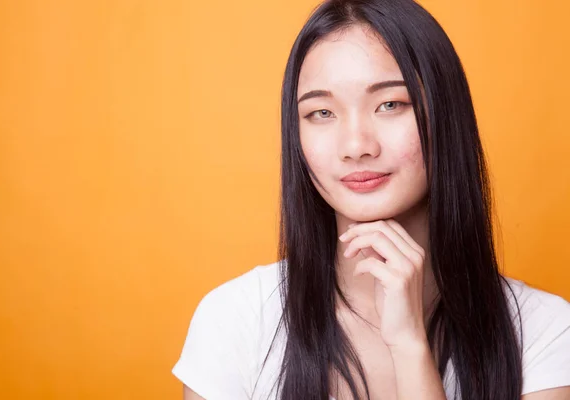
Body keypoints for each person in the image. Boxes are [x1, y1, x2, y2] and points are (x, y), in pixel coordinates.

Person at [172, 0, 570, 399]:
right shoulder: (235, 319)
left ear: (447, 115)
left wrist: (410, 347)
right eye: (321, 112)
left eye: (390, 104)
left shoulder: (544, 332)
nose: (356, 146)